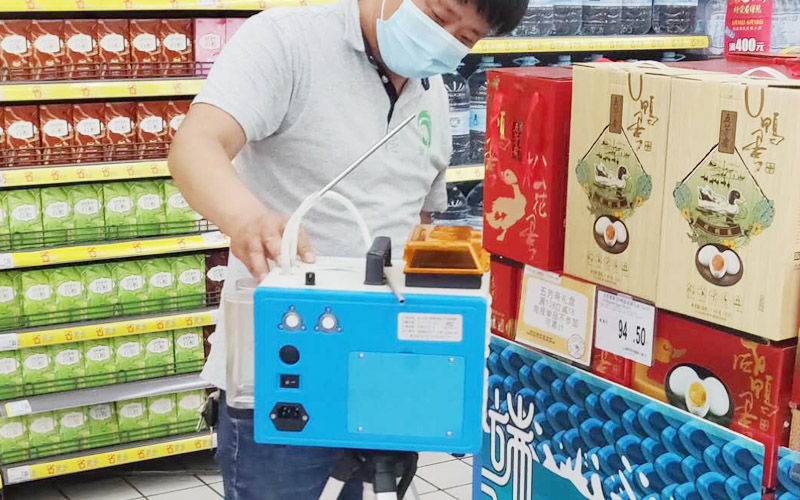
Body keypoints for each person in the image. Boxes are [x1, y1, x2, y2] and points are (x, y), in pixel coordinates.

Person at [168, 0, 527, 498]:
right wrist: (247, 219)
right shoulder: (286, 40)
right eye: (439, 16)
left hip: (380, 373)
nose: (444, 40)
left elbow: (418, 222)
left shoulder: (433, 93)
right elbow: (196, 144)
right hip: (280, 366)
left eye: (465, 38)